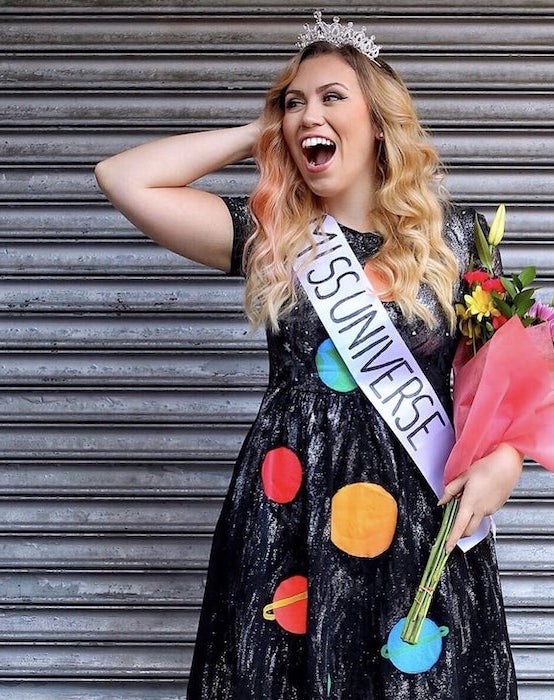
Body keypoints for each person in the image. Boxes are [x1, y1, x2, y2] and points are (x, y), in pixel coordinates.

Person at [95, 12, 522, 699]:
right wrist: (258, 131)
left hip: (419, 515)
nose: (307, 115)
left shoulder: (460, 241)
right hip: (289, 504)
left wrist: (506, 459)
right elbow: (123, 177)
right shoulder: (274, 236)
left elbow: (504, 389)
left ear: (379, 122)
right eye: (294, 103)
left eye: (331, 98)